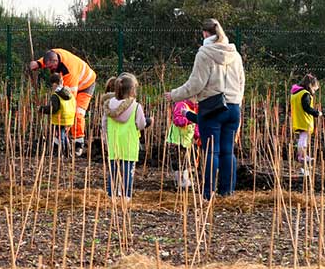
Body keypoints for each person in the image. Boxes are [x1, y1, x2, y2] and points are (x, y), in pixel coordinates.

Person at [164, 19, 245, 199]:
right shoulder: (235, 54)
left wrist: (175, 95)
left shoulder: (204, 53)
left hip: (212, 107)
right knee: (227, 151)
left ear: (205, 34)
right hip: (233, 108)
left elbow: (196, 84)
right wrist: (236, 103)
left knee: (211, 150)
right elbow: (241, 83)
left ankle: (208, 193)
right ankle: (227, 192)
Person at [30, 48, 97, 157]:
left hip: (86, 85)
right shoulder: (53, 55)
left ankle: (78, 143)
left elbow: (69, 100)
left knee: (77, 113)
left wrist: (63, 121)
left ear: (56, 62)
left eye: (51, 68)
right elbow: (47, 59)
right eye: (48, 67)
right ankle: (58, 143)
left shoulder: (69, 70)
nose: (50, 70)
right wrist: (38, 63)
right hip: (72, 85)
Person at [102, 73, 147, 199]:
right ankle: (126, 195)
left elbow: (104, 123)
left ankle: (112, 194)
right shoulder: (136, 106)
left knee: (113, 170)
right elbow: (141, 124)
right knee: (128, 170)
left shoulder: (108, 105)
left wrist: (105, 138)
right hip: (129, 143)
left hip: (113, 142)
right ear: (132, 90)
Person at [39, 71, 76, 156]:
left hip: (59, 118)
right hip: (69, 118)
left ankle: (62, 152)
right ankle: (68, 151)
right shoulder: (69, 93)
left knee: (60, 136)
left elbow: (53, 109)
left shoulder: (56, 95)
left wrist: (42, 109)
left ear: (54, 84)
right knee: (64, 134)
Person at [289, 74, 320, 174]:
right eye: (315, 88)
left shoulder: (295, 93)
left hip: (298, 118)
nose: (314, 91)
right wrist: (316, 113)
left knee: (303, 138)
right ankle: (301, 156)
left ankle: (302, 155)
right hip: (304, 120)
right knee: (303, 139)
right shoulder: (305, 94)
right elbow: (306, 107)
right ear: (311, 85)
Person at [167, 99, 197, 190]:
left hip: (185, 142)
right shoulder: (181, 105)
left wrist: (197, 135)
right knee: (177, 161)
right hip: (176, 141)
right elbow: (177, 120)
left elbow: (196, 126)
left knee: (185, 161)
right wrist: (189, 120)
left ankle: (184, 180)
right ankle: (180, 181)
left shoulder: (194, 109)